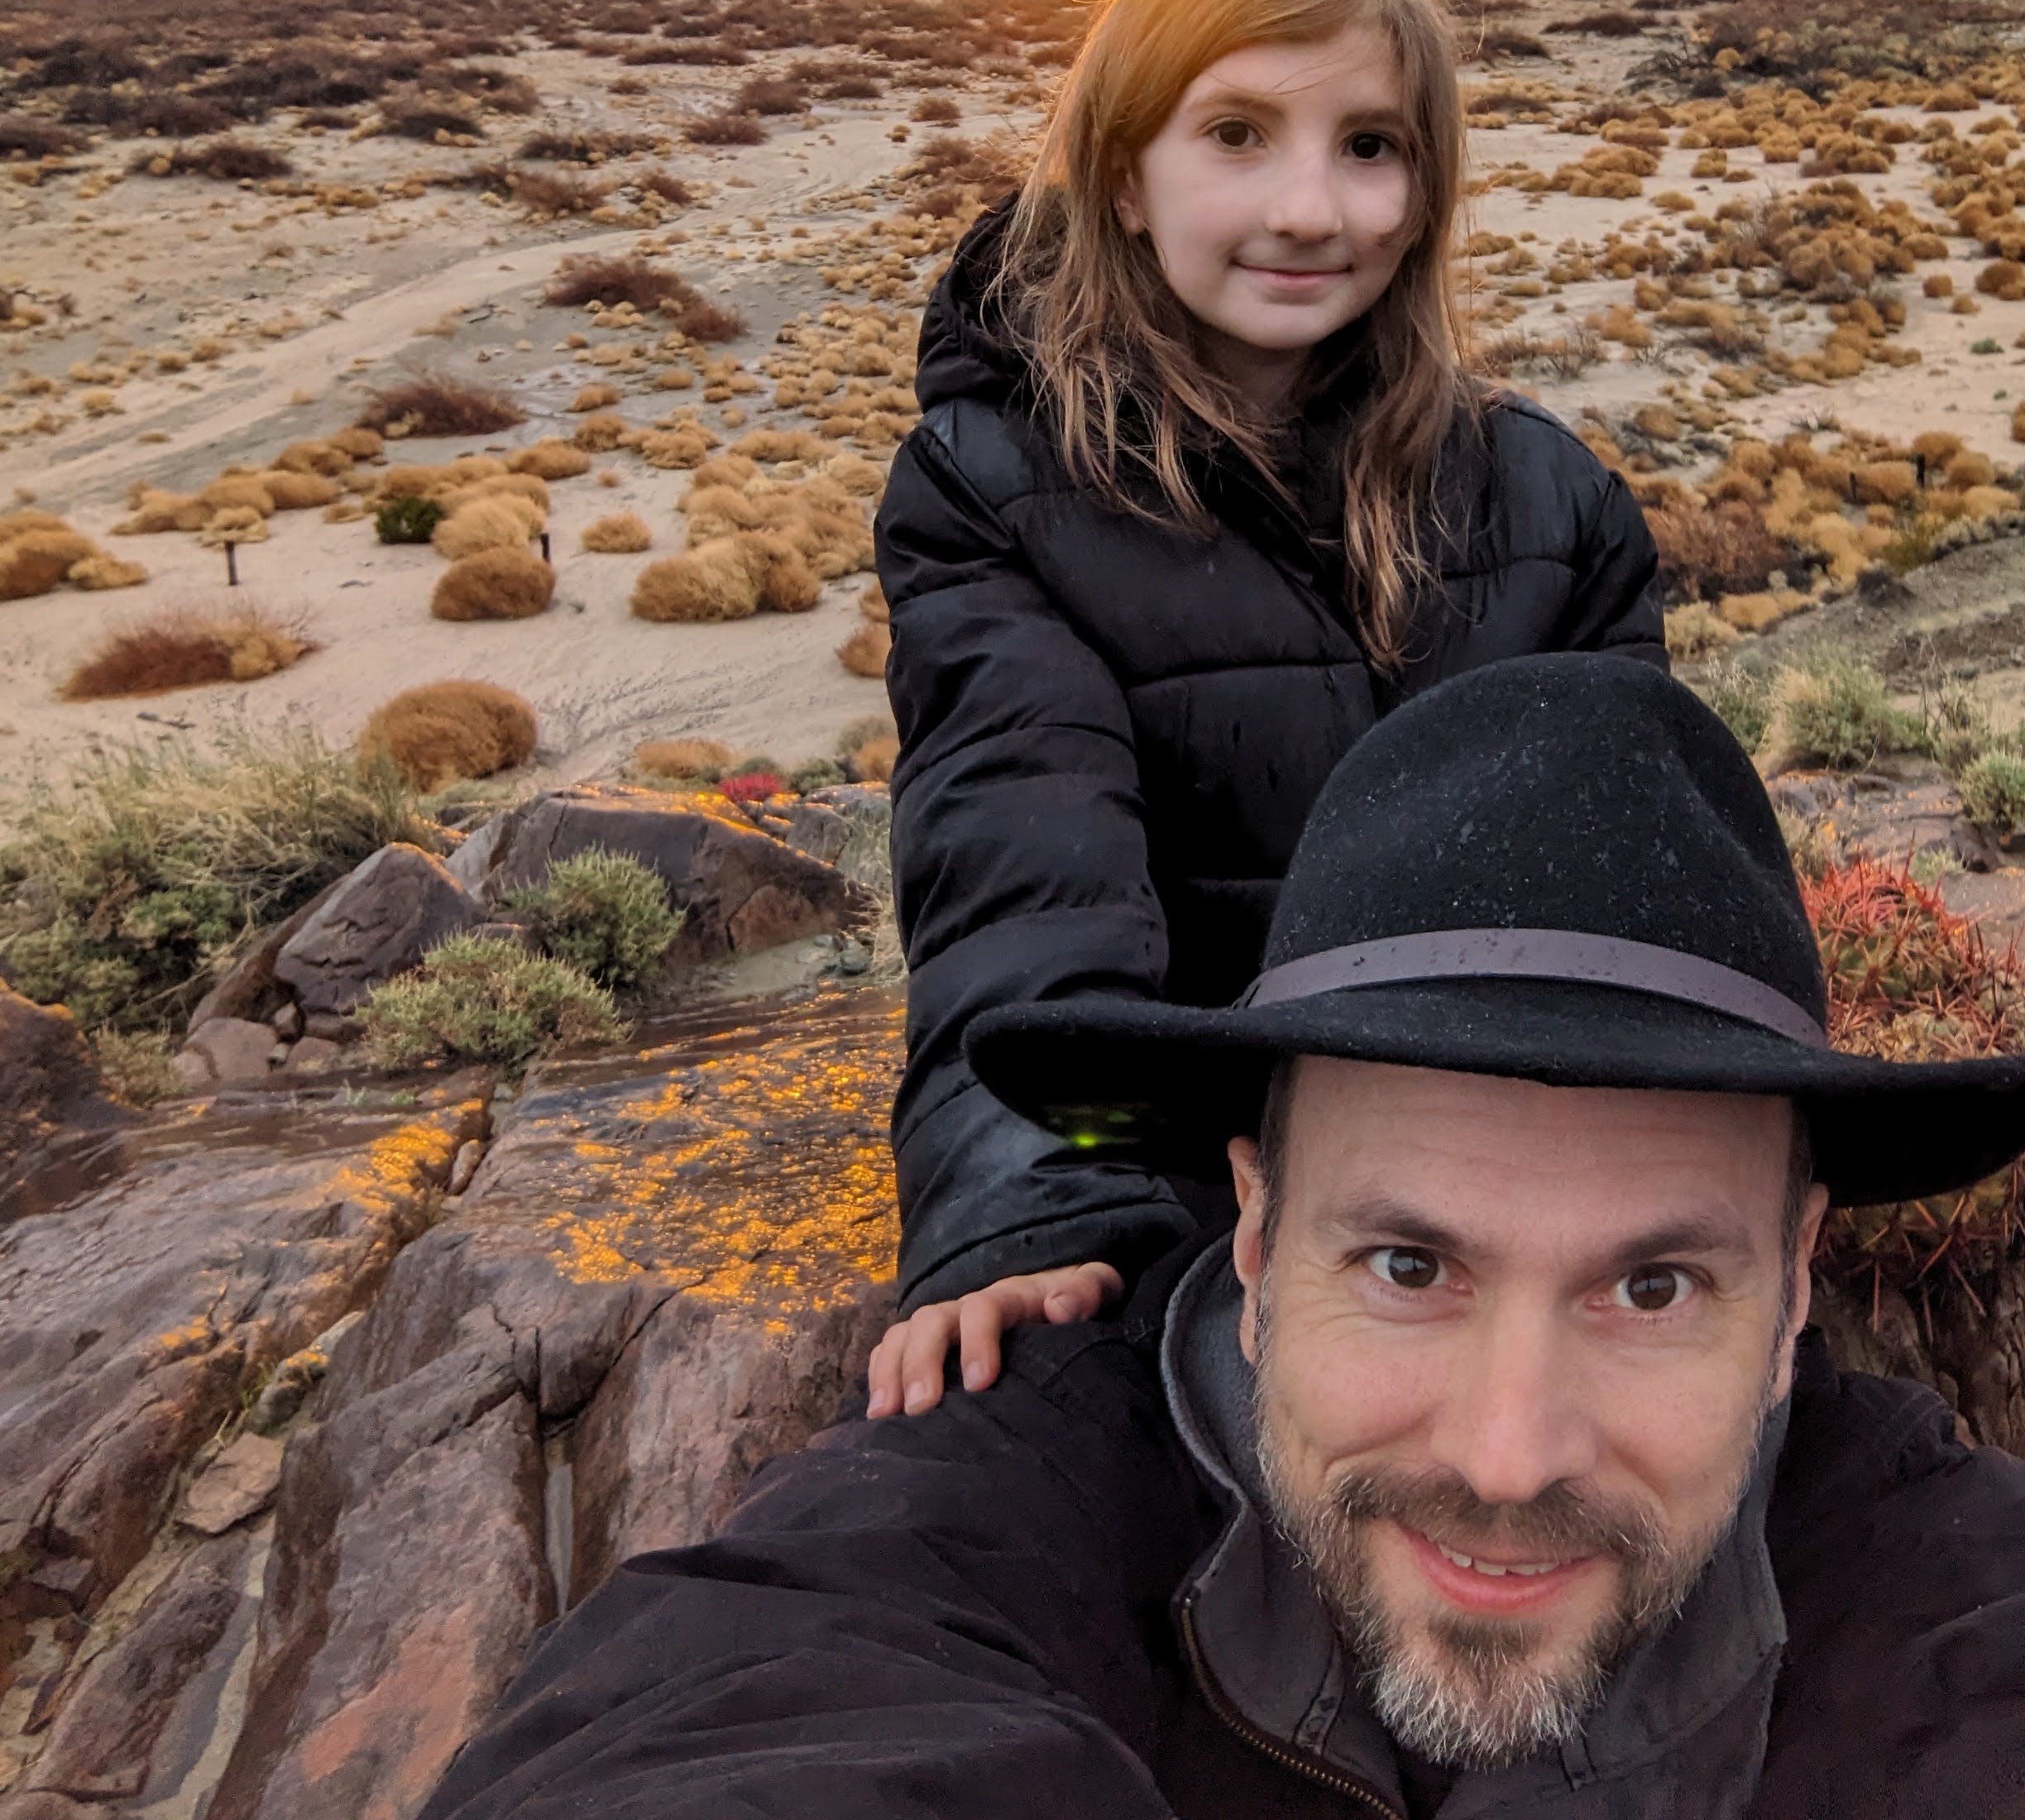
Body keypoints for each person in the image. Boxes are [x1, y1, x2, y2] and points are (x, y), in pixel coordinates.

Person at [419, 655, 2025, 1819]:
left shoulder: (1929, 1573)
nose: (1511, 1449)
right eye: (1408, 1267)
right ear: (1250, 1235)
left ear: (1801, 1282)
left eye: (1653, 1284)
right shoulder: (1015, 1492)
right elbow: (735, 1717)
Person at [869, 0, 1664, 1415]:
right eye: (1236, 134)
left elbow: (1619, 918)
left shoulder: (1557, 507)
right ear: (1122, 176)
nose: (1311, 207)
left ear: (1426, 191)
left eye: (1369, 145)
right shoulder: (994, 492)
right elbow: (1021, 868)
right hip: (1169, 1181)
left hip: (1499, 1196)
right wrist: (1038, 1207)